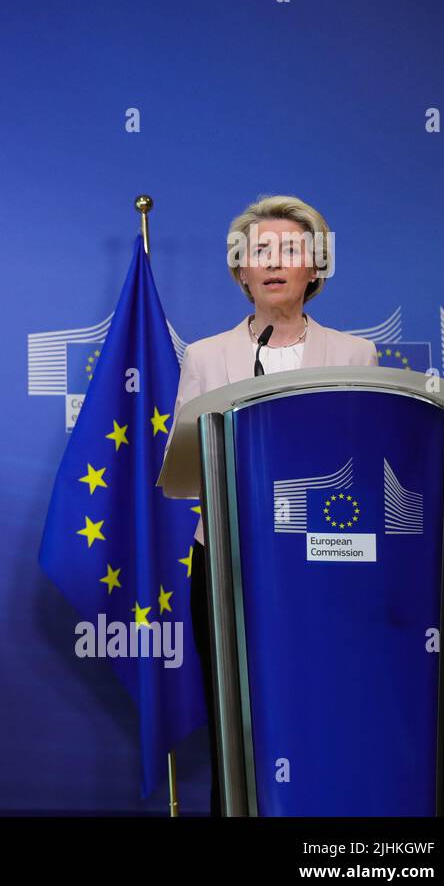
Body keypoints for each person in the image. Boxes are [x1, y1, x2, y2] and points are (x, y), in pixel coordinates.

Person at [171, 194, 377, 815]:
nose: (275, 262)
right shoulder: (205, 356)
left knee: (321, 702)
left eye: (291, 250)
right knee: (235, 710)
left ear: (316, 268)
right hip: (228, 560)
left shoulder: (355, 355)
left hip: (325, 561)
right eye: (260, 251)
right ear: (241, 272)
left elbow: (363, 466)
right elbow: (185, 465)